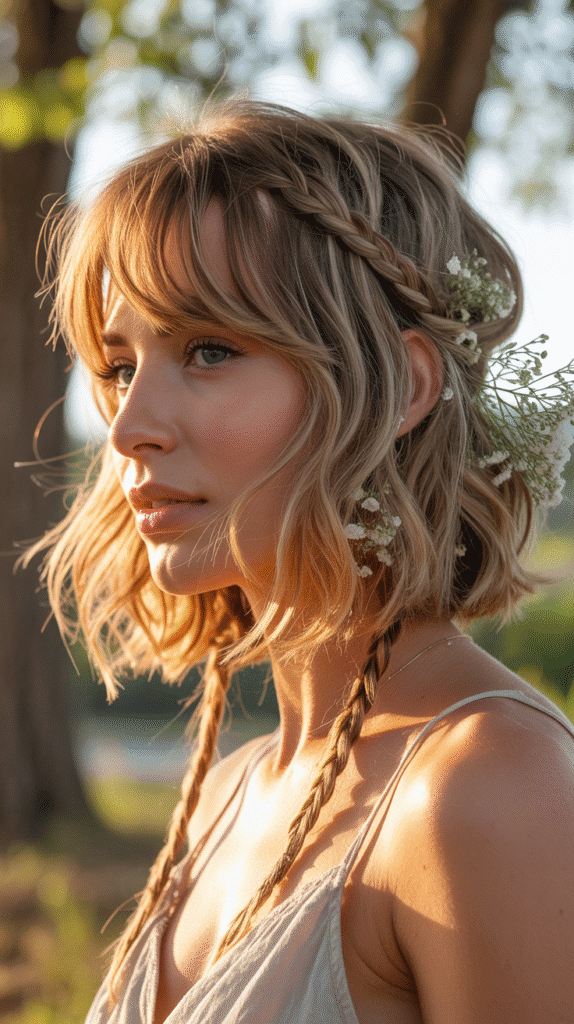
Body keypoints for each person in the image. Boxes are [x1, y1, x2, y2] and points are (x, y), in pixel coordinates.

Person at [23, 100, 574, 1023]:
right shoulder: (232, 790)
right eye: (120, 365)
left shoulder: (488, 787)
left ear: (401, 385)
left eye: (207, 349)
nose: (128, 427)